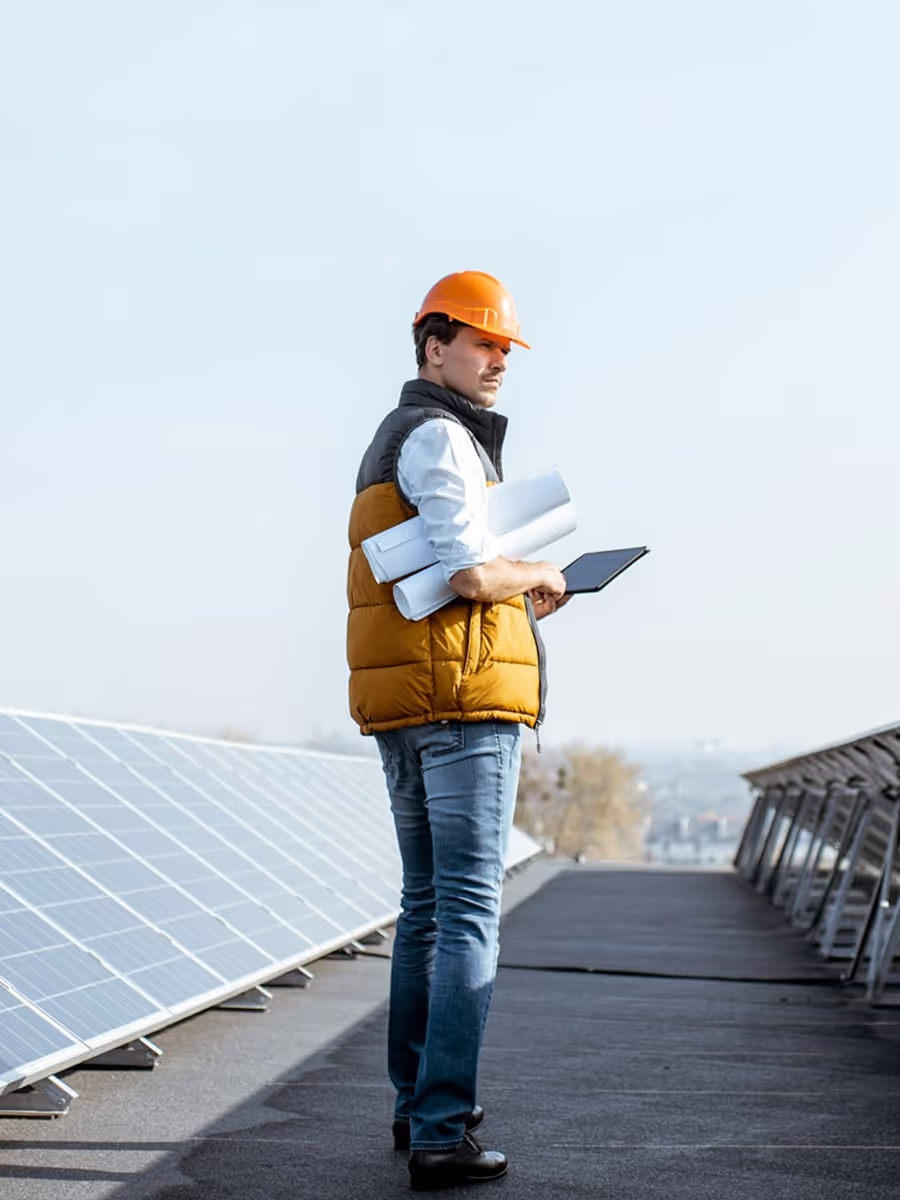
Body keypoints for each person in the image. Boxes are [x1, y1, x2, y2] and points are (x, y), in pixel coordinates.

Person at [346, 270, 568, 1190]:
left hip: (413, 701)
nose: (497, 361)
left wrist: (523, 595)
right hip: (462, 711)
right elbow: (473, 576)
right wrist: (539, 570)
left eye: (505, 349)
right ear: (433, 347)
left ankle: (416, 1114)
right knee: (468, 912)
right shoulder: (439, 436)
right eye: (484, 344)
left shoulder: (391, 440)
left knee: (430, 910)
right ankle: (443, 1128)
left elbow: (441, 584)